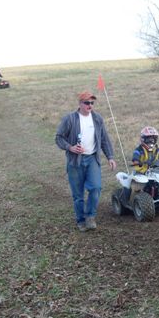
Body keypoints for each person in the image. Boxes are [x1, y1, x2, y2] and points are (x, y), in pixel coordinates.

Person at [55, 91, 117, 231]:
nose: (90, 105)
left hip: (92, 159)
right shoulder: (70, 119)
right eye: (87, 103)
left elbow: (104, 139)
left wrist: (110, 157)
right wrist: (70, 147)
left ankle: (90, 216)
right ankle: (81, 220)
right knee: (78, 195)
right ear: (80, 103)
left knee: (96, 188)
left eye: (92, 103)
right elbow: (58, 138)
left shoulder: (97, 119)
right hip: (75, 161)